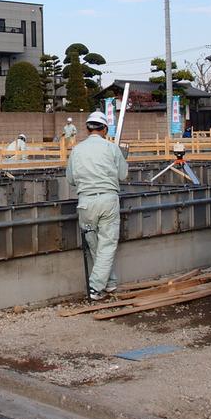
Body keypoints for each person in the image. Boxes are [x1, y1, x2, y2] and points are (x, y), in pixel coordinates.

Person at [66, 110, 128, 301]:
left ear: (87, 129)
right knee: (107, 245)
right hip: (108, 200)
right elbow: (123, 175)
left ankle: (109, 282)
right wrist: (123, 157)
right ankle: (95, 287)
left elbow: (70, 179)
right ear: (105, 129)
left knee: (94, 245)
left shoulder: (77, 150)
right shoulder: (112, 148)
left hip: (85, 202)